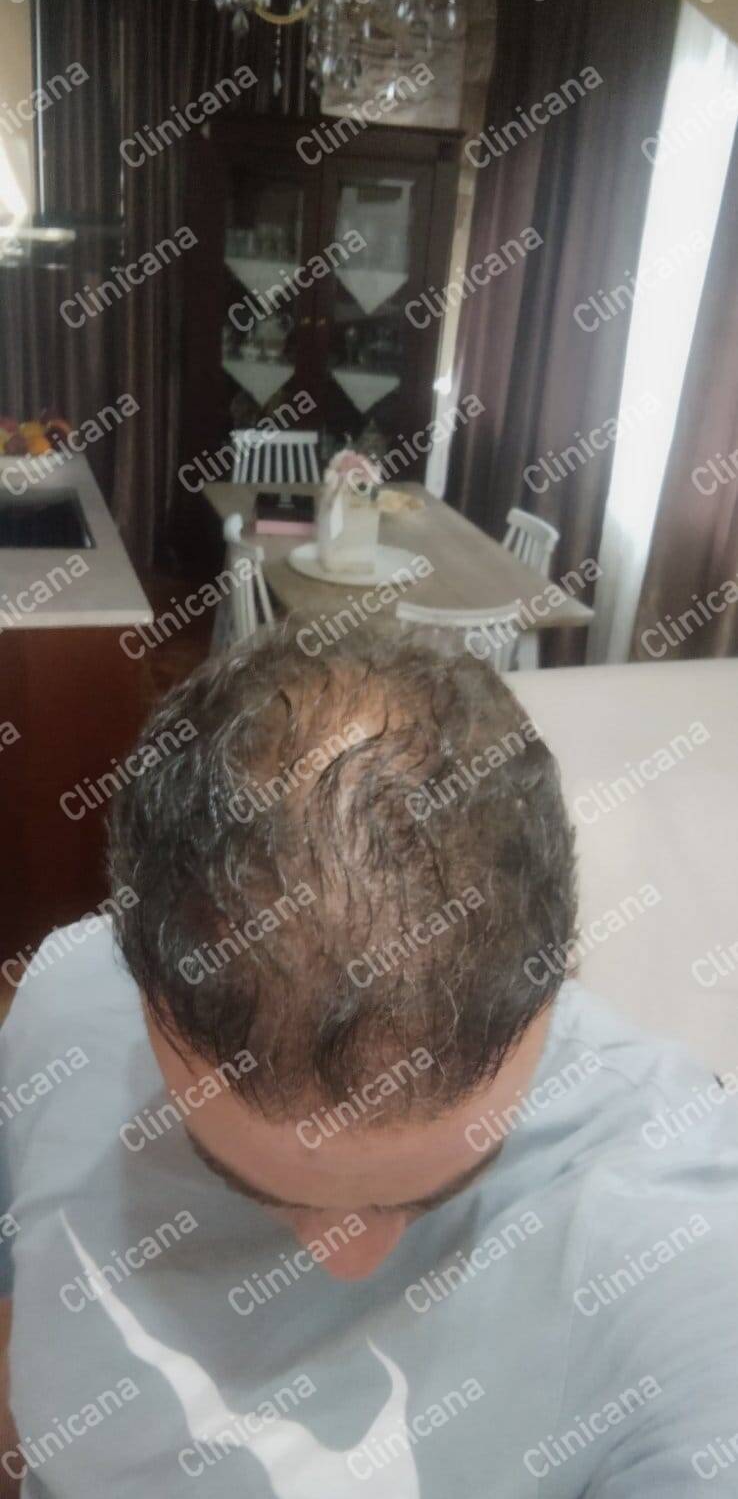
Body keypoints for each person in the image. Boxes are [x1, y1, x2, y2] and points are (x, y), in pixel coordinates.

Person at [0, 627, 736, 1497]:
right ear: (140, 981)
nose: (347, 1259)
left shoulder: (683, 1240)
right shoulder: (65, 994)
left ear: (558, 972)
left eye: (432, 1193)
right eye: (244, 1181)